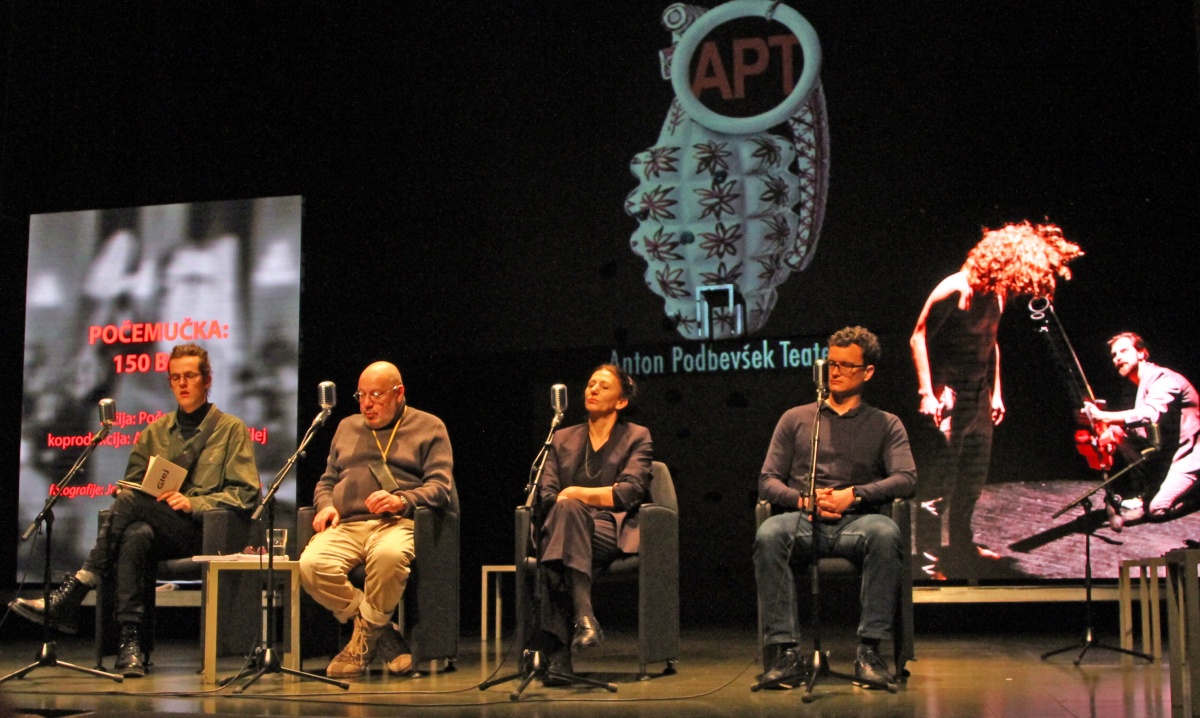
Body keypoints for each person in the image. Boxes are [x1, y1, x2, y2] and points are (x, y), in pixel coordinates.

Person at [9, 343, 261, 678]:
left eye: (189, 376)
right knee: (135, 533)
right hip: (157, 529)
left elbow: (246, 493)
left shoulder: (230, 429)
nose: (182, 384)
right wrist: (135, 491)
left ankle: (77, 588)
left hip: (202, 531)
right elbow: (130, 487)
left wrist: (194, 502)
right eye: (175, 378)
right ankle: (131, 645)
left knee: (129, 509)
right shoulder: (154, 432)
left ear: (207, 380)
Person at [910, 221, 1082, 571]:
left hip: (980, 394)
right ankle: (928, 564)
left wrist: (997, 392)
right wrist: (927, 391)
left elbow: (992, 343)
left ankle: (961, 546)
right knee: (939, 489)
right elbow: (918, 336)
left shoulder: (997, 293)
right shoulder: (954, 289)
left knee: (972, 480)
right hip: (951, 395)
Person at [755, 327, 916, 690]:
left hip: (857, 523)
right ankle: (786, 653)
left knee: (885, 533)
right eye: (831, 363)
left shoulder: (885, 423)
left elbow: (906, 479)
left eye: (846, 365)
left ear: (868, 372)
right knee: (768, 534)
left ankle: (869, 651)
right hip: (802, 518)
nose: (836, 371)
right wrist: (803, 501)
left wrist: (854, 495)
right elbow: (767, 481)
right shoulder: (797, 419)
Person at [299, 361, 453, 679]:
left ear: (399, 393)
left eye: (377, 395)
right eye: (361, 395)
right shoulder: (346, 427)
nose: (367, 404)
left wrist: (402, 500)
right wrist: (325, 505)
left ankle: (362, 643)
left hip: (396, 523)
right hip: (347, 524)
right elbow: (326, 481)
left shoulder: (429, 426)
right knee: (311, 565)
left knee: (389, 556)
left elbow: (440, 488)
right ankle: (380, 632)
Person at [532, 364, 652, 683]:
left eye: (603, 386)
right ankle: (584, 619)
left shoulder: (636, 437)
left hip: (608, 529)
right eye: (589, 384)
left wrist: (576, 493)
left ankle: (557, 652)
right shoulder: (561, 438)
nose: (592, 390)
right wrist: (568, 501)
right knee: (567, 517)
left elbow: (629, 492)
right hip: (566, 524)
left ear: (621, 401)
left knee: (557, 543)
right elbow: (546, 494)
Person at [1083, 333, 1200, 527]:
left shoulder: (1163, 378)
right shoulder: (1136, 385)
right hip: (1168, 450)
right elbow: (1134, 427)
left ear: (1142, 353)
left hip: (1191, 455)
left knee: (1157, 509)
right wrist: (1106, 431)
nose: (1118, 357)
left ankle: (1195, 492)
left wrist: (1103, 417)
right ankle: (1144, 489)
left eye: (1124, 351)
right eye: (1114, 355)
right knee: (1116, 430)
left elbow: (1150, 414)